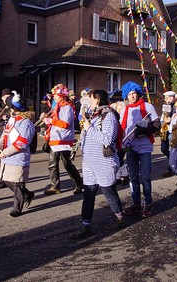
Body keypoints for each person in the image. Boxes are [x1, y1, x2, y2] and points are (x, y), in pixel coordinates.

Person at [69, 90, 124, 239]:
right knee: (88, 195)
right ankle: (85, 225)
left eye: (91, 99)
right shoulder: (93, 116)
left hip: (104, 162)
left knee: (108, 192)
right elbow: (89, 135)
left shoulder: (109, 115)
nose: (89, 102)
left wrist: (89, 128)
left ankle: (120, 218)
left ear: (98, 100)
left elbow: (107, 139)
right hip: (90, 163)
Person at [120, 81, 160, 218]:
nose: (132, 96)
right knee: (133, 177)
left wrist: (143, 131)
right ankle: (136, 203)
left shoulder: (148, 106)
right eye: (129, 94)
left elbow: (157, 125)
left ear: (138, 93)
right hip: (130, 147)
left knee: (145, 177)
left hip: (144, 147)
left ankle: (148, 204)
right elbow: (121, 128)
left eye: (134, 93)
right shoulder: (125, 109)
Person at [0, 91, 36, 217]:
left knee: (18, 182)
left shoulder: (26, 123)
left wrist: (5, 152)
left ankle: (17, 208)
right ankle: (27, 195)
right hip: (7, 155)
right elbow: (5, 134)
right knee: (7, 180)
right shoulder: (12, 120)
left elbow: (22, 143)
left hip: (18, 157)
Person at [43, 84, 83, 195]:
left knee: (67, 164)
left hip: (63, 139)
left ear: (61, 95)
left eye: (55, 94)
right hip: (55, 138)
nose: (53, 96)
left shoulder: (67, 107)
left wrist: (51, 121)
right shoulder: (57, 107)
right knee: (52, 164)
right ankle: (55, 186)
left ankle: (79, 183)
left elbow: (65, 124)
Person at [160, 90, 176, 178]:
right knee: (163, 148)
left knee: (171, 149)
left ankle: (170, 168)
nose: (165, 99)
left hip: (172, 130)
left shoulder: (176, 106)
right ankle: (173, 160)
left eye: (166, 97)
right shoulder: (166, 106)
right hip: (165, 129)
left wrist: (171, 120)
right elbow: (163, 117)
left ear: (171, 98)